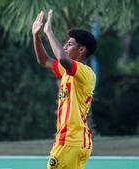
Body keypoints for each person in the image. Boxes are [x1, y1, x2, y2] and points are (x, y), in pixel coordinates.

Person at [32, 10, 97, 169]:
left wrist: (48, 32)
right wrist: (36, 35)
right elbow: (44, 60)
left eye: (69, 44)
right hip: (77, 143)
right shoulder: (66, 71)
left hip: (69, 141)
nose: (65, 46)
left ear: (81, 50)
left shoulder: (85, 72)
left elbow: (61, 57)